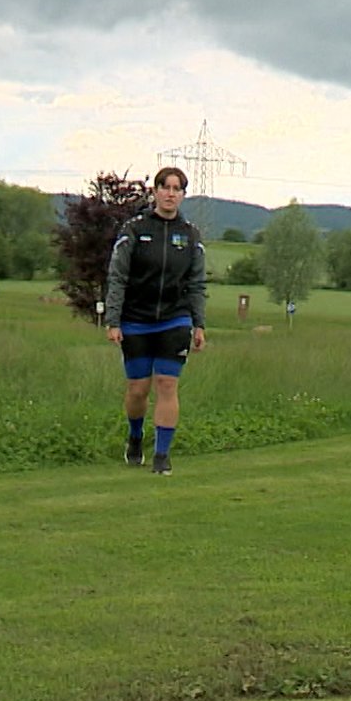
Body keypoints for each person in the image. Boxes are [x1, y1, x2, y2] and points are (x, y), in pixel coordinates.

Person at [105, 166, 207, 475]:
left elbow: (197, 283)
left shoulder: (189, 235)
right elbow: (118, 275)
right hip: (136, 319)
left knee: (166, 383)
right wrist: (113, 319)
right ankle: (135, 437)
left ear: (183, 195)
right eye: (166, 187)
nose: (171, 194)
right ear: (156, 192)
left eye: (177, 189)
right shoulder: (134, 230)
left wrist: (198, 323)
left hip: (174, 320)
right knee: (138, 389)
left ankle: (162, 456)